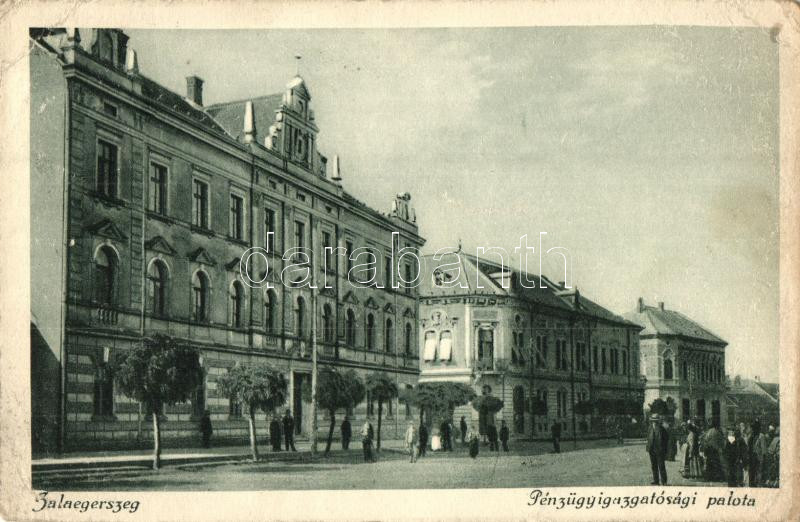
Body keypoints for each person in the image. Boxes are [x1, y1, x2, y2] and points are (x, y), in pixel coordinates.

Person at [646, 414, 668, 485]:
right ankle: (656, 481)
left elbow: (666, 440)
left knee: (661, 466)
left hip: (660, 450)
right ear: (651, 421)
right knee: (654, 466)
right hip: (652, 450)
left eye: (656, 421)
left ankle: (664, 481)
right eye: (653, 421)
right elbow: (648, 438)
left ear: (658, 421)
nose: (654, 422)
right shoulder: (650, 428)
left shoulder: (662, 429)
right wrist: (648, 447)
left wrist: (664, 450)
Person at [748, 420, 768, 487]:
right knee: (751, 473)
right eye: (752, 428)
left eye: (754, 428)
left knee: (758, 473)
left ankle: (757, 485)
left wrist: (763, 459)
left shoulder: (761, 436)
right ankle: (752, 485)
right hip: (751, 457)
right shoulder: (751, 436)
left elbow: (764, 449)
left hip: (758, 458)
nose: (753, 429)